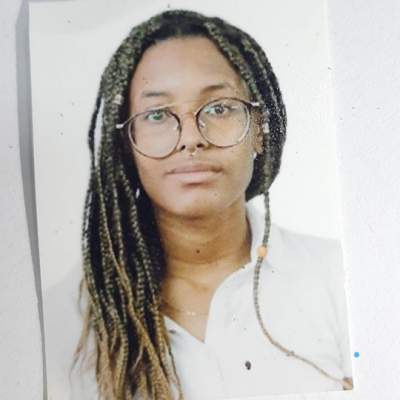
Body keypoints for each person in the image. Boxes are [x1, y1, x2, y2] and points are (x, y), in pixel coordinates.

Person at [44, 8, 353, 400]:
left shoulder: (340, 277)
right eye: (157, 114)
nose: (191, 138)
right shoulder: (65, 320)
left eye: (219, 108)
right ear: (126, 144)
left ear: (259, 129)